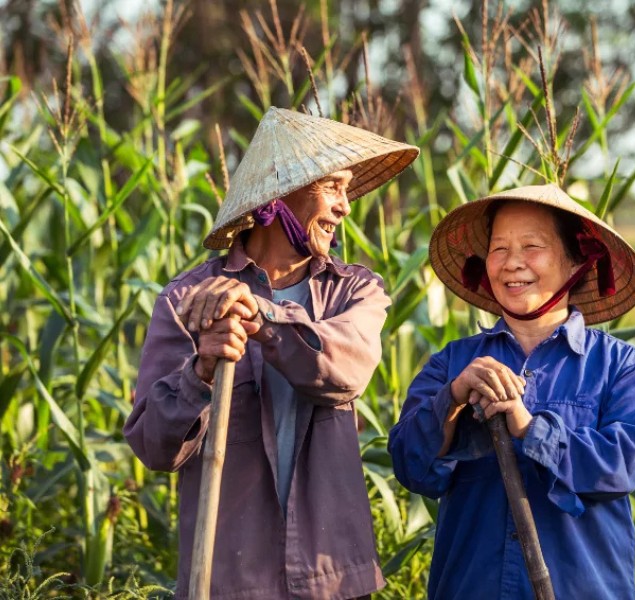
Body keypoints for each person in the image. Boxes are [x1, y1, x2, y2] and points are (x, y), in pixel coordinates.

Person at [124, 107, 418, 600]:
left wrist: (261, 318)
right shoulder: (188, 301)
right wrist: (201, 371)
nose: (345, 207)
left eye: (347, 189)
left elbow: (344, 373)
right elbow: (154, 446)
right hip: (228, 580)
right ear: (276, 197)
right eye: (332, 187)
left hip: (332, 579)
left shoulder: (356, 291)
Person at [388, 184, 635, 599]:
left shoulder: (621, 367)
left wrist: (528, 427)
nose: (512, 263)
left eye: (532, 246)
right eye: (499, 249)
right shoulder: (451, 364)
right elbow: (410, 466)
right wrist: (454, 398)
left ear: (576, 262)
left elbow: (618, 467)